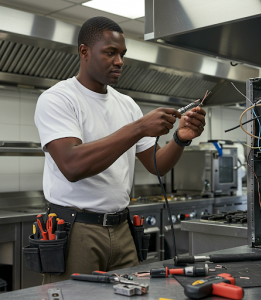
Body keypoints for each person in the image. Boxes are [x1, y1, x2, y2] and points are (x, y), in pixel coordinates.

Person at [34, 16, 206, 283]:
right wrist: (138, 128)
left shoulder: (127, 105)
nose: (120, 62)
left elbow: (156, 165)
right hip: (77, 230)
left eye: (122, 54)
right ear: (84, 52)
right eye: (110, 53)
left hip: (123, 229)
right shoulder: (58, 99)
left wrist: (180, 140)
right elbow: (72, 166)